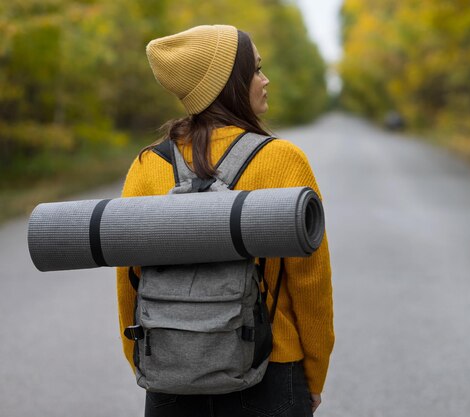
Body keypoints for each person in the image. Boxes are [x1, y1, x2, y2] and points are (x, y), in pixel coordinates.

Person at [115, 25, 334, 416]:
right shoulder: (282, 160)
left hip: (170, 372)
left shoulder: (148, 165)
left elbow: (129, 280)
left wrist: (148, 360)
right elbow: (310, 282)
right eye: (255, 71)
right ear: (227, 83)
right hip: (271, 368)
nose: (265, 81)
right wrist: (312, 375)